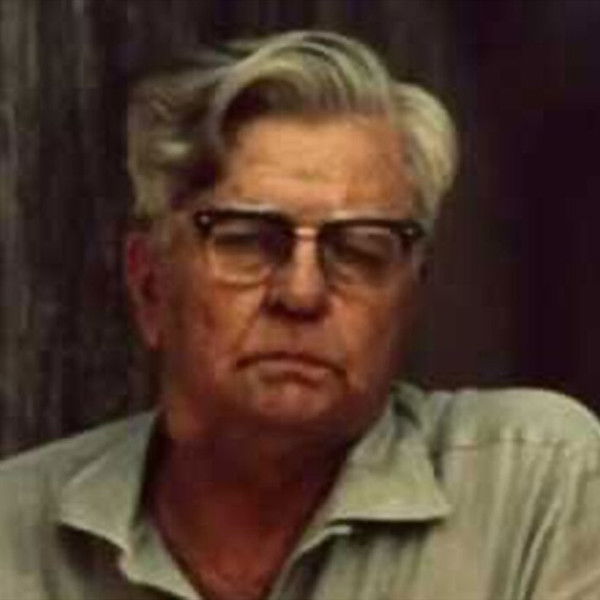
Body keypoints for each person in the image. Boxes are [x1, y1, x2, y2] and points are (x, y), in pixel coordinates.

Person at [0, 30, 598, 600]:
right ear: (150, 284)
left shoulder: (532, 489)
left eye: (360, 250)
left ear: (409, 296)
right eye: (246, 240)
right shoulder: (14, 539)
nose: (302, 293)